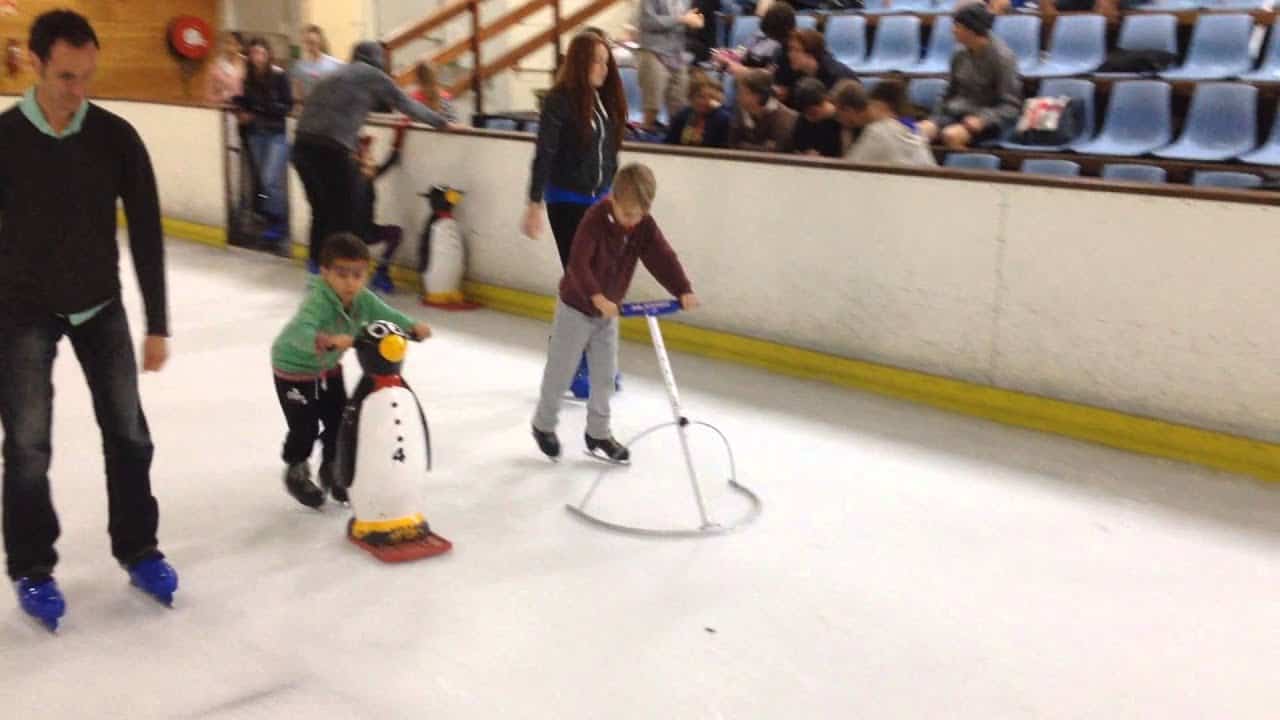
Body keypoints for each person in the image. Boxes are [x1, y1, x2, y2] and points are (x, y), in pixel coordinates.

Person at [0, 9, 178, 627]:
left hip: (99, 305)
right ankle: (31, 566)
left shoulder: (115, 135)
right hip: (21, 310)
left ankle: (139, 548)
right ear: (36, 63)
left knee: (128, 433)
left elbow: (149, 230)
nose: (78, 91)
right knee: (26, 445)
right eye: (67, 77)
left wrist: (157, 321)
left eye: (87, 77)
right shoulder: (5, 139)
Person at [530, 164, 699, 464]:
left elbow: (662, 256)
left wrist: (682, 289)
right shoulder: (594, 220)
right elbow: (578, 264)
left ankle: (598, 432)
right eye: (627, 214)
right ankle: (543, 425)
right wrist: (596, 295)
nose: (633, 222)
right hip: (577, 307)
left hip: (608, 313)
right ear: (613, 201)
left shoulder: (643, 225)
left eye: (639, 215)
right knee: (561, 370)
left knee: (605, 377)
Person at [270, 233, 431, 508]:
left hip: (328, 368)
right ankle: (296, 468)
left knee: (338, 420)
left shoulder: (362, 299)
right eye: (342, 274)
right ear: (324, 273)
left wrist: (410, 325)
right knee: (304, 426)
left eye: (357, 275)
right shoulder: (317, 301)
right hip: (293, 369)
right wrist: (327, 340)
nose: (350, 282)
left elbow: (386, 314)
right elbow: (302, 330)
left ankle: (332, 468)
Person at [291, 41, 455, 272]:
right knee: (343, 219)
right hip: (330, 150)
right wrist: (442, 123)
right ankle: (340, 277)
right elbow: (406, 104)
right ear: (377, 60)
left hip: (301, 147)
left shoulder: (335, 72)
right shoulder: (372, 75)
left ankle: (315, 273)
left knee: (320, 212)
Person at [522, 31, 627, 268]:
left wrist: (611, 192)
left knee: (601, 271)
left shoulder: (602, 101)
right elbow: (545, 151)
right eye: (596, 61)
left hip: (599, 199)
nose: (604, 68)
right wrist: (534, 203)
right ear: (580, 62)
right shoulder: (558, 100)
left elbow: (609, 152)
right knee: (579, 274)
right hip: (567, 200)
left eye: (606, 62)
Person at [918, 3, 1021, 150]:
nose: (953, 30)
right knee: (918, 132)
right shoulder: (959, 54)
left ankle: (963, 169)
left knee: (951, 135)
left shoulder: (1003, 58)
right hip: (956, 113)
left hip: (986, 120)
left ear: (971, 30)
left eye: (957, 26)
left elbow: (1011, 106)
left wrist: (983, 119)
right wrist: (935, 118)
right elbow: (949, 92)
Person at [233, 37, 293, 247]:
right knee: (263, 180)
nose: (258, 57)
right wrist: (241, 111)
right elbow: (242, 101)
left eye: (261, 53)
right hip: (255, 134)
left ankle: (279, 220)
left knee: (270, 179)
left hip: (275, 133)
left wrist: (261, 109)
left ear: (268, 55)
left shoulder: (279, 76)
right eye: (254, 54)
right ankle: (271, 219)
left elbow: (287, 105)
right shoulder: (247, 78)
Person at [834, 79, 937, 167]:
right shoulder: (908, 124)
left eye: (838, 115)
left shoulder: (878, 131)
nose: (838, 120)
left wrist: (846, 134)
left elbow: (849, 169)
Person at [635, 0, 704, 131]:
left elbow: (688, 23)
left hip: (678, 54)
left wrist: (695, 23)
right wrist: (681, 19)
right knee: (652, 104)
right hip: (653, 52)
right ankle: (644, 136)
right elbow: (647, 22)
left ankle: (675, 140)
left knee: (680, 104)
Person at [728, 67, 798, 153]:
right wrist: (761, 147)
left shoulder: (786, 118)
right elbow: (733, 144)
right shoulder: (740, 110)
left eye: (744, 93)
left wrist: (744, 145)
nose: (738, 97)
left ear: (759, 95)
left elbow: (774, 152)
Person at [664, 71, 731, 148]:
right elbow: (669, 143)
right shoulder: (683, 115)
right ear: (691, 98)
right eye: (700, 97)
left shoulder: (723, 119)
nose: (706, 101)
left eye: (712, 97)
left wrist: (719, 109)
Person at [290, 24, 343, 104]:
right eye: (307, 42)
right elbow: (297, 93)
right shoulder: (299, 66)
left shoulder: (335, 64)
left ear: (320, 41)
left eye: (313, 42)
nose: (310, 46)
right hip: (309, 108)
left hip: (329, 107)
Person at [204, 31, 245, 105]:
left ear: (240, 46)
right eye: (226, 43)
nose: (229, 47)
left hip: (242, 109)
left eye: (232, 43)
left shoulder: (246, 65)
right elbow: (208, 93)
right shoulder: (216, 66)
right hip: (221, 107)